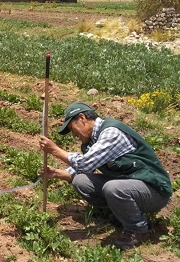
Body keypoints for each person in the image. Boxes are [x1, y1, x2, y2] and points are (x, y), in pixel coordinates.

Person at [37, 101, 172, 250]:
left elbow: (84, 164)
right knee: (81, 181)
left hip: (154, 191)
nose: (74, 134)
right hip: (130, 186)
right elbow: (82, 170)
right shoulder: (91, 141)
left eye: (72, 129)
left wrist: (55, 150)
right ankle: (118, 215)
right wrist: (57, 173)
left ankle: (138, 229)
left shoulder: (111, 132)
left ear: (82, 118)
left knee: (112, 188)